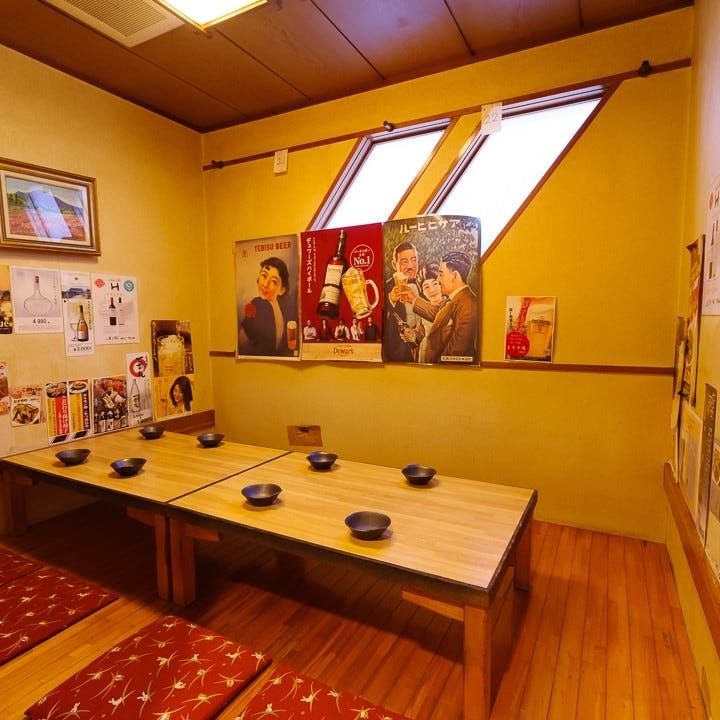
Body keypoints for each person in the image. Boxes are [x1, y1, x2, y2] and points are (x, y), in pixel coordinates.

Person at [407, 251, 477, 363]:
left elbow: (456, 351)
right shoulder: (455, 300)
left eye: (441, 274)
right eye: (426, 287)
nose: (439, 280)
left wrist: (434, 366)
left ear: (454, 276)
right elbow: (437, 316)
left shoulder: (468, 304)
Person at [238, 256, 297, 357]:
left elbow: (241, 343)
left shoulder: (257, 304)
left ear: (282, 290)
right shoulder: (279, 307)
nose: (265, 284)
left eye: (274, 281)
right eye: (264, 275)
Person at [382, 241, 424, 362]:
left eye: (414, 260)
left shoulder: (425, 283)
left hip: (424, 352)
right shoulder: (386, 288)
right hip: (399, 354)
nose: (411, 266)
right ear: (394, 264)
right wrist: (390, 300)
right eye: (404, 261)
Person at [415, 263, 448, 362]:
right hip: (424, 355)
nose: (432, 290)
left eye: (435, 284)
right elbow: (419, 336)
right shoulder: (422, 310)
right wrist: (410, 335)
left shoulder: (451, 304)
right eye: (426, 287)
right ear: (422, 292)